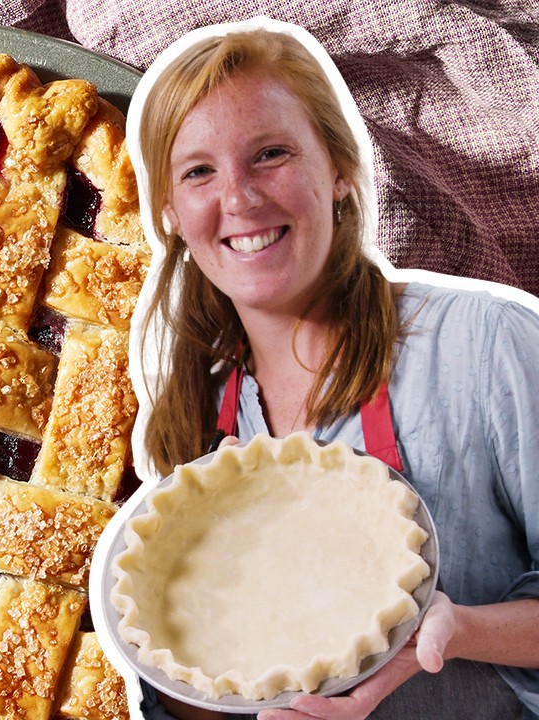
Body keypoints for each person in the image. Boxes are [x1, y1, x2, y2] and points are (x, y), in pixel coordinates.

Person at [126, 19, 539, 720]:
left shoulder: (481, 345)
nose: (240, 198)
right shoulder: (195, 419)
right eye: (199, 170)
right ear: (169, 211)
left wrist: (457, 631)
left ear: (342, 170)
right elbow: (195, 690)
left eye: (271, 154)